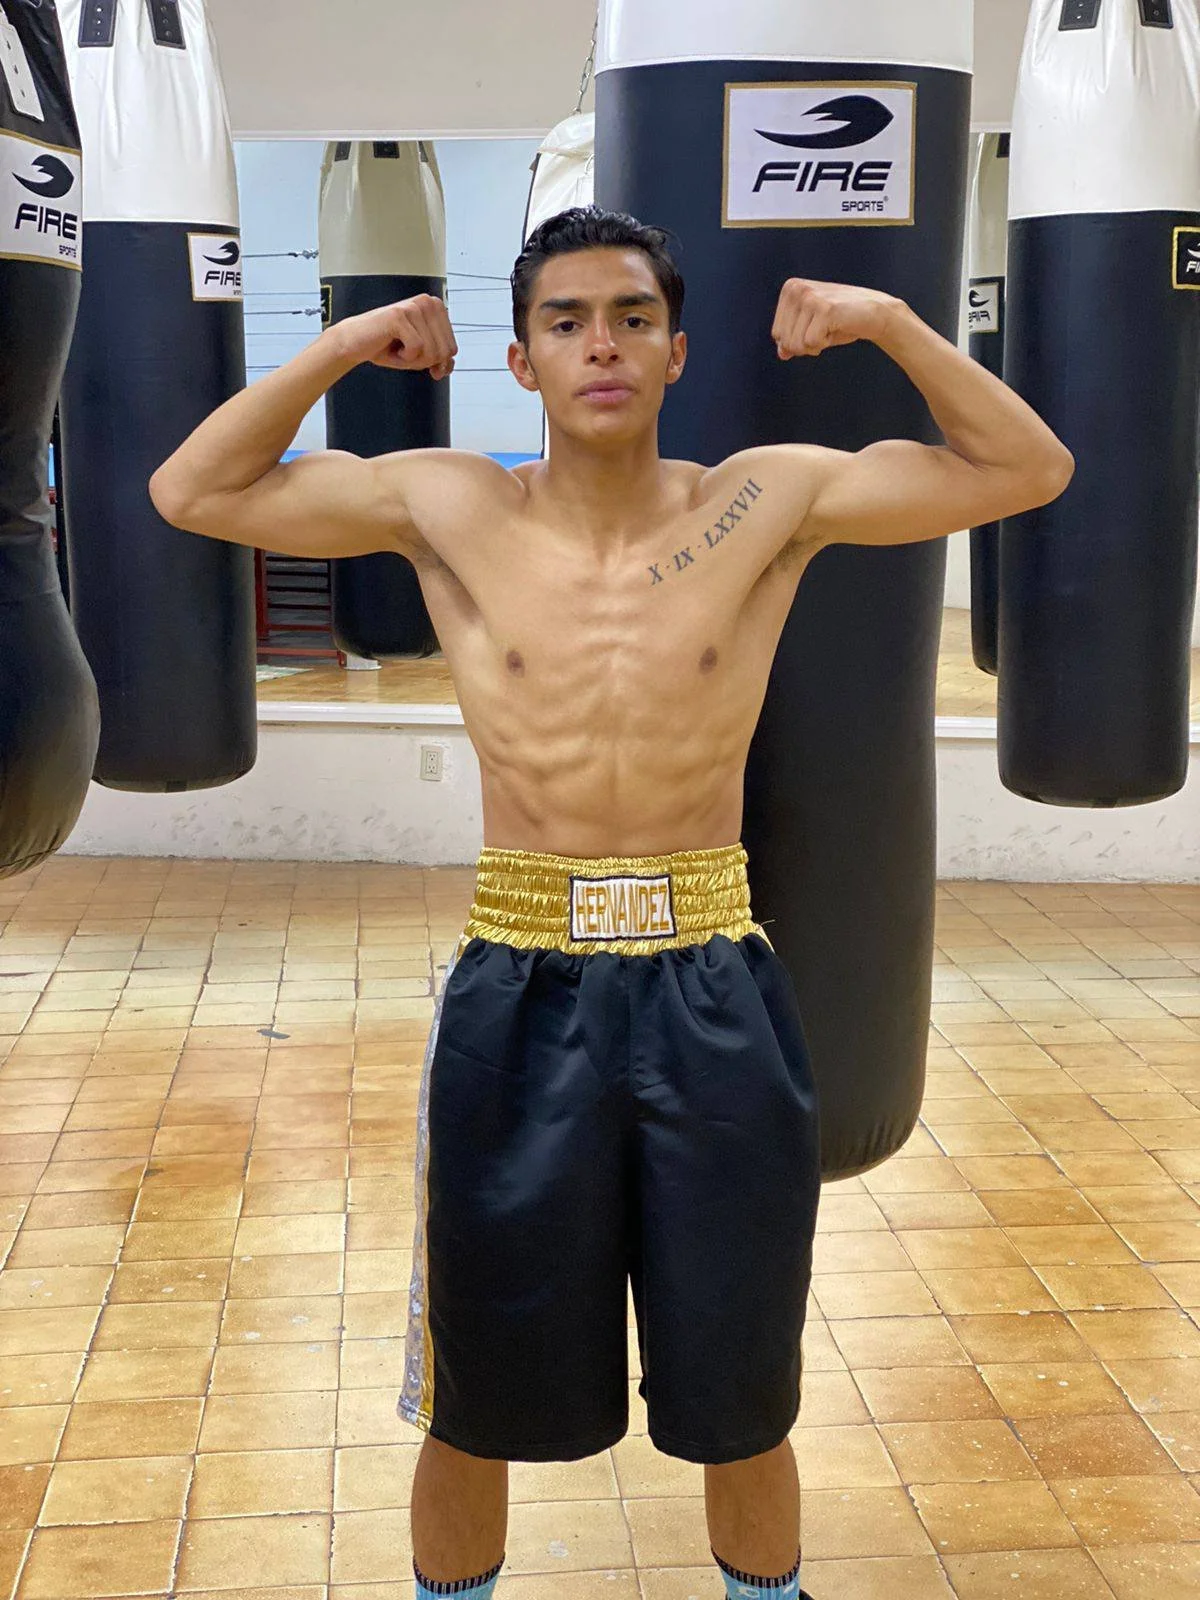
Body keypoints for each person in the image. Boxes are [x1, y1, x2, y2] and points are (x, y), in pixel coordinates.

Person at [150, 206, 1073, 1600]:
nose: (602, 345)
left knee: (742, 1380)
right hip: (520, 987)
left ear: (675, 352)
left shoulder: (762, 500)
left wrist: (890, 323)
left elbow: (1029, 467)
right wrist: (348, 339)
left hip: (712, 979)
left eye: (633, 319)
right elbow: (191, 489)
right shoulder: (449, 504)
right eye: (567, 321)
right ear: (522, 360)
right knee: (478, 1383)